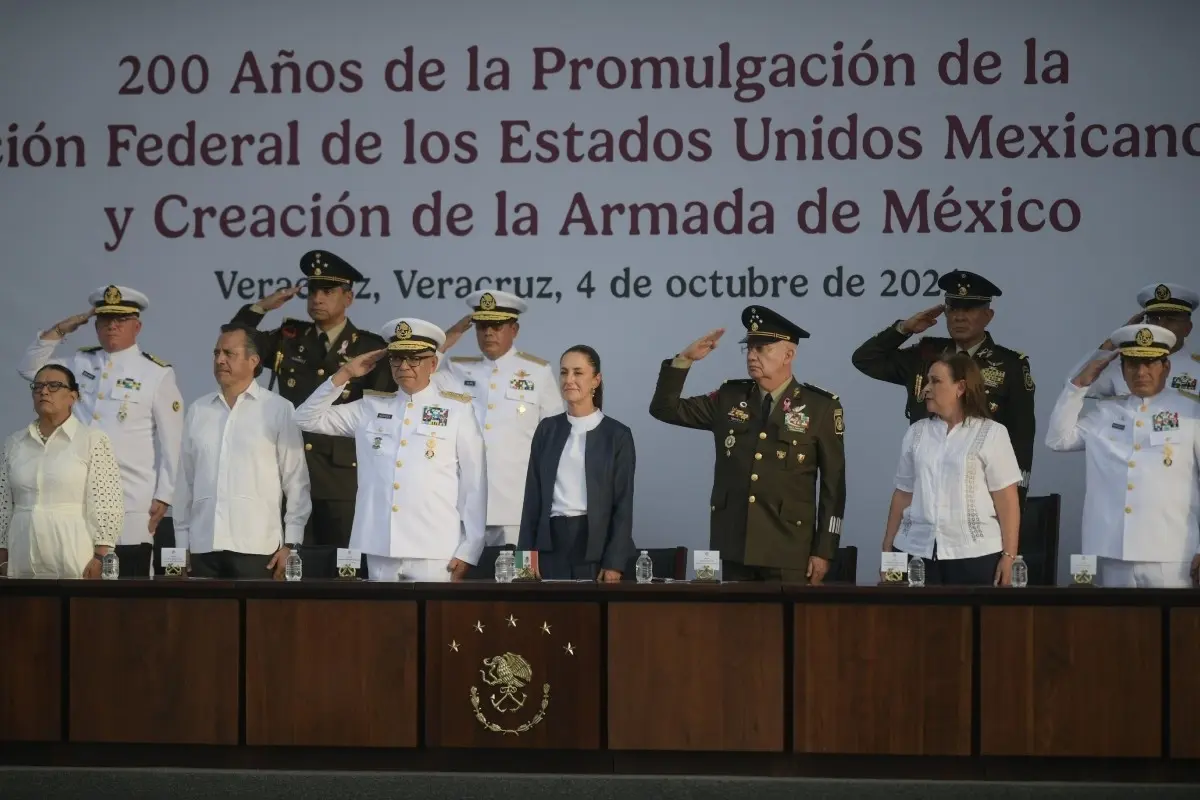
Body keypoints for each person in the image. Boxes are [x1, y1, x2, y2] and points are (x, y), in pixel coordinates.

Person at [649, 306, 846, 584]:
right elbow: (665, 409)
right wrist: (684, 360)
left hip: (788, 551)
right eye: (749, 348)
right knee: (736, 627)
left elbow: (833, 488)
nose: (752, 355)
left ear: (789, 355)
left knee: (788, 626)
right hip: (735, 547)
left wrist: (824, 550)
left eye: (763, 348)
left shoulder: (820, 408)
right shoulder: (730, 398)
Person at [292, 318, 487, 582]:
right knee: (384, 622)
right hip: (380, 544)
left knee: (436, 623)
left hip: (434, 546)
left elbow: (474, 484)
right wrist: (345, 374)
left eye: (414, 359)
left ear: (433, 363)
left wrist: (470, 549)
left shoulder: (457, 410)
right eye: (396, 358)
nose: (404, 366)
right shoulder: (370, 407)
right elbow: (305, 418)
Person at [230, 250, 393, 549]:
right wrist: (262, 307)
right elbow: (235, 344)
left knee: (343, 570)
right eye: (313, 291)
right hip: (287, 471)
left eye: (327, 292)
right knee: (288, 570)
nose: (317, 298)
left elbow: (380, 419)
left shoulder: (371, 348)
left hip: (341, 480)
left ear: (348, 298)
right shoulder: (288, 338)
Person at [17, 285, 184, 577]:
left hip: (129, 498)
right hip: (76, 503)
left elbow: (174, 441)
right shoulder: (80, 363)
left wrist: (165, 494)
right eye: (105, 320)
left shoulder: (156, 373)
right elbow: (30, 369)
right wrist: (61, 328)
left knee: (129, 588)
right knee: (81, 591)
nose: (112, 326)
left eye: (120, 320)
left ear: (137, 326)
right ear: (95, 326)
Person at [850, 269, 1036, 504]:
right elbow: (865, 360)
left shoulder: (1010, 365)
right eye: (953, 309)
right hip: (927, 487)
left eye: (968, 309)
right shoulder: (926, 355)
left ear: (988, 315)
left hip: (981, 494)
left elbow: (1022, 439)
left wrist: (1014, 503)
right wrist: (904, 329)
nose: (959, 317)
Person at [1045, 324, 1200, 588]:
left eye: (1150, 364)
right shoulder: (1106, 413)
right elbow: (1058, 440)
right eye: (1132, 365)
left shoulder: (1191, 412)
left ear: (1166, 367)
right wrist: (1078, 385)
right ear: (1122, 369)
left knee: (1174, 628)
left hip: (1172, 551)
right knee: (1121, 628)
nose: (1141, 372)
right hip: (1114, 549)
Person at [174, 324, 312, 580]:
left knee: (259, 621)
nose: (220, 360)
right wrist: (181, 547)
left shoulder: (278, 409)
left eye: (229, 353)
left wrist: (292, 544)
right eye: (216, 354)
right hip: (204, 547)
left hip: (258, 548)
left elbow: (296, 481)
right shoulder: (198, 410)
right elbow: (185, 482)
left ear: (253, 361)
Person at [881, 354, 1023, 586]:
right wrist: (887, 549)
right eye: (927, 381)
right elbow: (903, 493)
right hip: (914, 549)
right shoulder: (916, 433)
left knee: (971, 621)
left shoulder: (992, 433)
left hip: (975, 555)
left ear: (960, 387)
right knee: (912, 621)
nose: (926, 388)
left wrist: (1009, 555)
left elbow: (1006, 499)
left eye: (935, 381)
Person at [437, 290, 564, 546]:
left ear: (514, 329)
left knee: (516, 582)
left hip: (515, 506)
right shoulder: (458, 370)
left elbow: (555, 440)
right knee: (459, 582)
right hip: (463, 505)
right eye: (482, 326)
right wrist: (446, 341)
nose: (488, 333)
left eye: (496, 326)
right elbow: (419, 380)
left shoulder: (537, 373)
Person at [518, 345, 636, 582]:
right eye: (564, 372)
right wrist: (524, 560)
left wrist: (614, 562)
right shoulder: (547, 430)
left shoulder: (617, 434)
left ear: (596, 380)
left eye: (578, 373)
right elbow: (532, 498)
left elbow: (623, 504)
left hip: (595, 550)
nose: (569, 380)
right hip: (550, 548)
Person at [0, 364, 124, 579]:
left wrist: (101, 557)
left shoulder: (92, 440)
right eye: (37, 386)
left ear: (72, 397)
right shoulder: (14, 443)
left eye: (54, 386)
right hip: (22, 554)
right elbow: (2, 504)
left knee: (78, 612)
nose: (44, 391)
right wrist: (2, 557)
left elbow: (107, 503)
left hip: (75, 553)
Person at [1065, 283, 1198, 398]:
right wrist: (1114, 340)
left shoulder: (1196, 369)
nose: (1161, 325)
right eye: (1154, 319)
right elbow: (1076, 382)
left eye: (1171, 319)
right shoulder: (1129, 367)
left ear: (1188, 328)